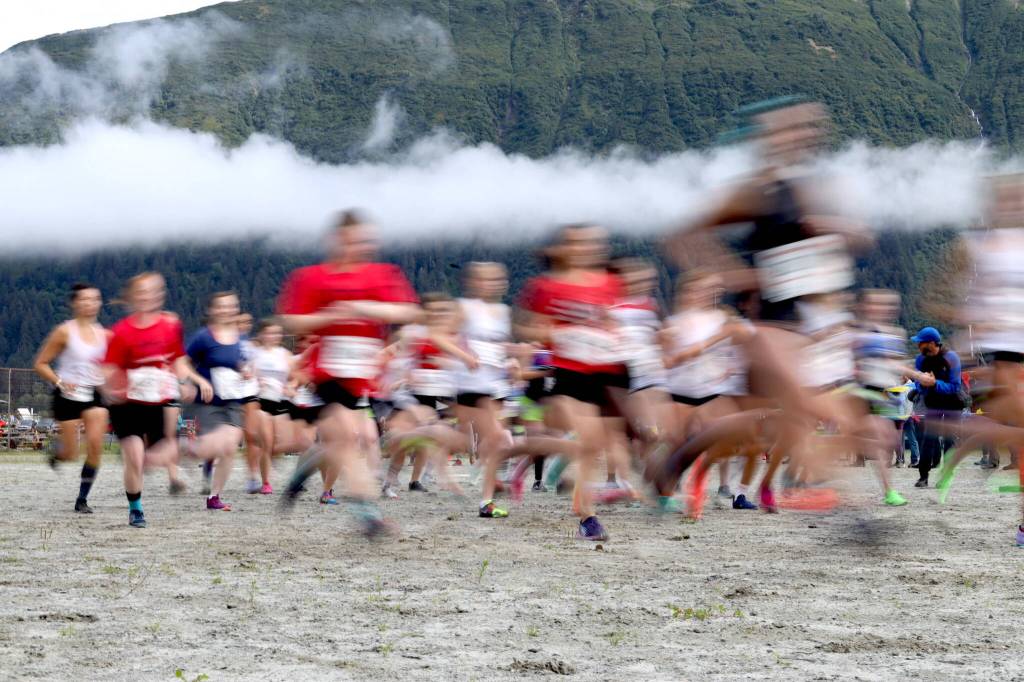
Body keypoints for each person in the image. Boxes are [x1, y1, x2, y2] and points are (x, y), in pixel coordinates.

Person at [277, 209, 419, 537]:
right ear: (337, 240)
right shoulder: (312, 277)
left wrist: (364, 308)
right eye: (353, 240)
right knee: (347, 436)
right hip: (327, 373)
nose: (360, 247)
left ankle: (303, 473)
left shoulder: (382, 274)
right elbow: (292, 320)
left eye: (366, 241)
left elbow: (409, 310)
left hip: (362, 376)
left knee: (341, 441)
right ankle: (368, 514)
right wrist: (328, 316)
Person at [101, 272, 207, 528]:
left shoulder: (170, 326)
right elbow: (108, 369)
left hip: (157, 403)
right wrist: (110, 388)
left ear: (160, 296)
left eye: (154, 292)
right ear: (133, 298)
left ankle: (146, 462)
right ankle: (135, 509)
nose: (148, 297)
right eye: (142, 292)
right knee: (135, 458)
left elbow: (178, 359)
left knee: (163, 452)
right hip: (127, 405)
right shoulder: (122, 331)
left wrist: (188, 382)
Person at [33, 283, 110, 513]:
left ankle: (82, 499)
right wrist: (59, 382)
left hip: (94, 395)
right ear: (75, 303)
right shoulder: (65, 331)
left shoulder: (105, 334)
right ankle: (57, 453)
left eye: (94, 299)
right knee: (71, 453)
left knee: (95, 446)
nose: (89, 303)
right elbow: (40, 364)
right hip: (67, 394)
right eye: (84, 299)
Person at [179, 291, 250, 511]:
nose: (227, 310)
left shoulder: (241, 339)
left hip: (232, 401)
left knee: (229, 448)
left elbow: (241, 363)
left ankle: (214, 497)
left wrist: (246, 370)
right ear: (212, 310)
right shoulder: (203, 337)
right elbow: (182, 363)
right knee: (201, 449)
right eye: (222, 306)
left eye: (231, 306)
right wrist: (197, 381)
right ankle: (182, 444)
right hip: (205, 403)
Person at [904, 326, 965, 487]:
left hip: (953, 403)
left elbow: (955, 386)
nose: (918, 346)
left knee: (949, 439)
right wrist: (923, 384)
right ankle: (923, 477)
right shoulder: (920, 360)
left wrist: (935, 383)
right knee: (928, 439)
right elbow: (918, 384)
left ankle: (945, 476)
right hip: (933, 403)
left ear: (931, 343)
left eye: (921, 343)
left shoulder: (951, 358)